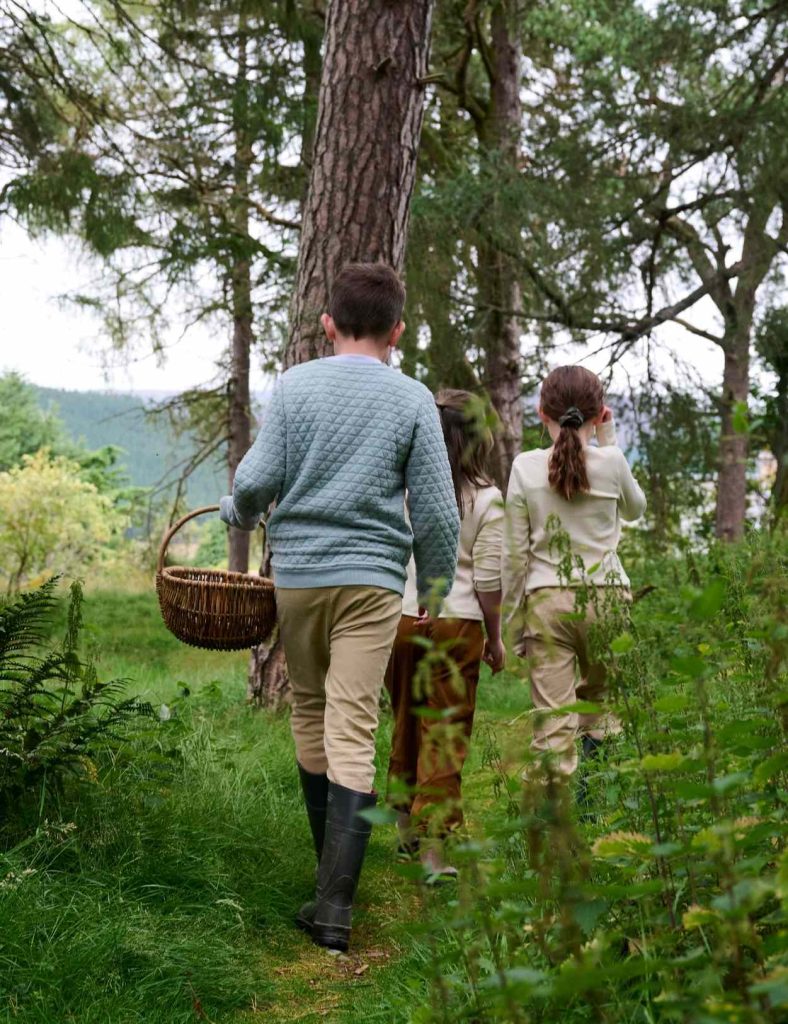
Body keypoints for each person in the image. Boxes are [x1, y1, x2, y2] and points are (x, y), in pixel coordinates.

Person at [219, 263, 459, 952]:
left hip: (300, 577)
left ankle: (326, 890)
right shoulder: (413, 399)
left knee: (311, 709)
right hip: (376, 582)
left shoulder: (294, 386)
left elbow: (259, 480)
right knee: (354, 723)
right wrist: (436, 594)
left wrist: (239, 508)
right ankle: (334, 906)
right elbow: (439, 516)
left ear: (327, 324)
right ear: (397, 331)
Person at [501, 365, 646, 782]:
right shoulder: (613, 461)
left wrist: (513, 627)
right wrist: (608, 440)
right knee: (604, 706)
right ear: (599, 413)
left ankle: (551, 830)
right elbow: (635, 511)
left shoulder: (525, 467)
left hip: (547, 603)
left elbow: (514, 556)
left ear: (541, 412)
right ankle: (593, 812)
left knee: (552, 723)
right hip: (608, 599)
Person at [385, 389, 505, 881]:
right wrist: (495, 639)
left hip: (401, 620)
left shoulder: (405, 492)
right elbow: (490, 581)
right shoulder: (487, 500)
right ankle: (435, 851)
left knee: (406, 724)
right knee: (443, 737)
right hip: (456, 624)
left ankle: (403, 832)